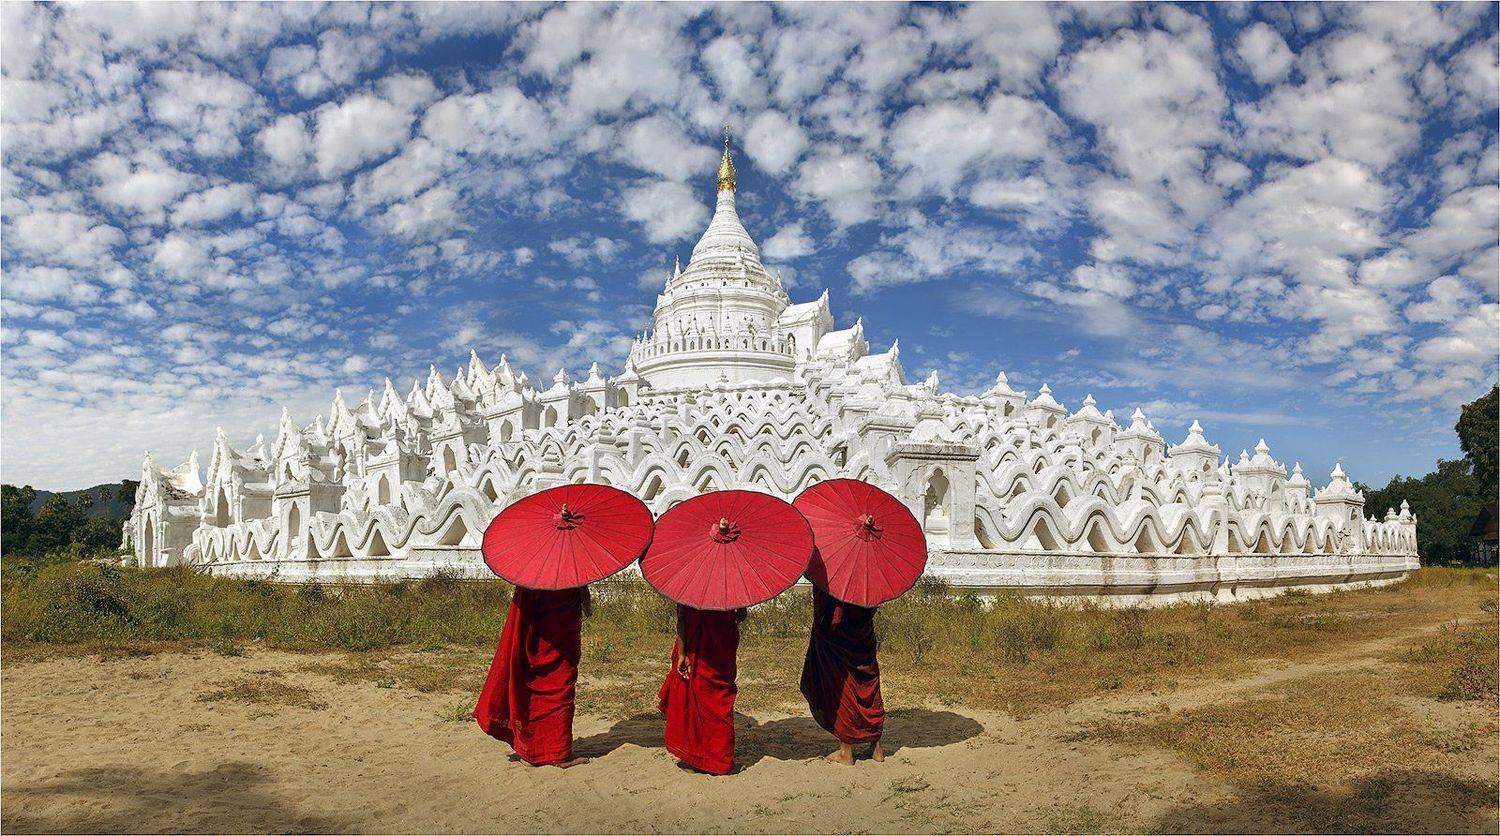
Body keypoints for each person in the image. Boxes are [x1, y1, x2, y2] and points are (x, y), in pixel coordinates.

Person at [473, 585, 591, 768]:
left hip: (540, 633)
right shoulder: (571, 565)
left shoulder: (534, 574)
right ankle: (559, 754)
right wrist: (585, 597)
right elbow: (581, 589)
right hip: (561, 634)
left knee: (536, 691)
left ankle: (530, 751)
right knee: (560, 687)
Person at [800, 585, 885, 765]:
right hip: (863, 634)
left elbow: (828, 614)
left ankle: (846, 751)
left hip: (840, 637)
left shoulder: (836, 569)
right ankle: (876, 748)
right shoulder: (870, 571)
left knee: (843, 685)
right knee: (869, 683)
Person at [657, 603, 746, 775]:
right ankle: (719, 760)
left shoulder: (691, 579)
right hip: (721, 642)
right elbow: (741, 614)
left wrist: (682, 653)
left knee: (692, 695)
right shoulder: (731, 580)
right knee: (718, 698)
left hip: (695, 644)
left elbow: (682, 615)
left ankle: (692, 759)